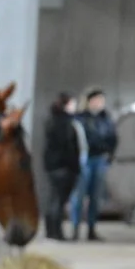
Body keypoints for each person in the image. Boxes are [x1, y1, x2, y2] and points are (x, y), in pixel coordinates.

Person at [70, 89, 118, 241]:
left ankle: (92, 229)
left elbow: (113, 138)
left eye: (101, 101)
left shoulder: (106, 119)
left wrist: (109, 154)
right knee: (79, 196)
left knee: (96, 197)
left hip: (100, 160)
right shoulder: (80, 118)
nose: (99, 103)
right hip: (84, 160)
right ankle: (75, 228)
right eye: (96, 100)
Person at [41, 92, 83, 240]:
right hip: (64, 166)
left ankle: (50, 230)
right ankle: (56, 232)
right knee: (58, 201)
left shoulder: (52, 120)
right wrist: (75, 167)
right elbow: (69, 147)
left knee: (53, 199)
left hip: (53, 166)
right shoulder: (66, 123)